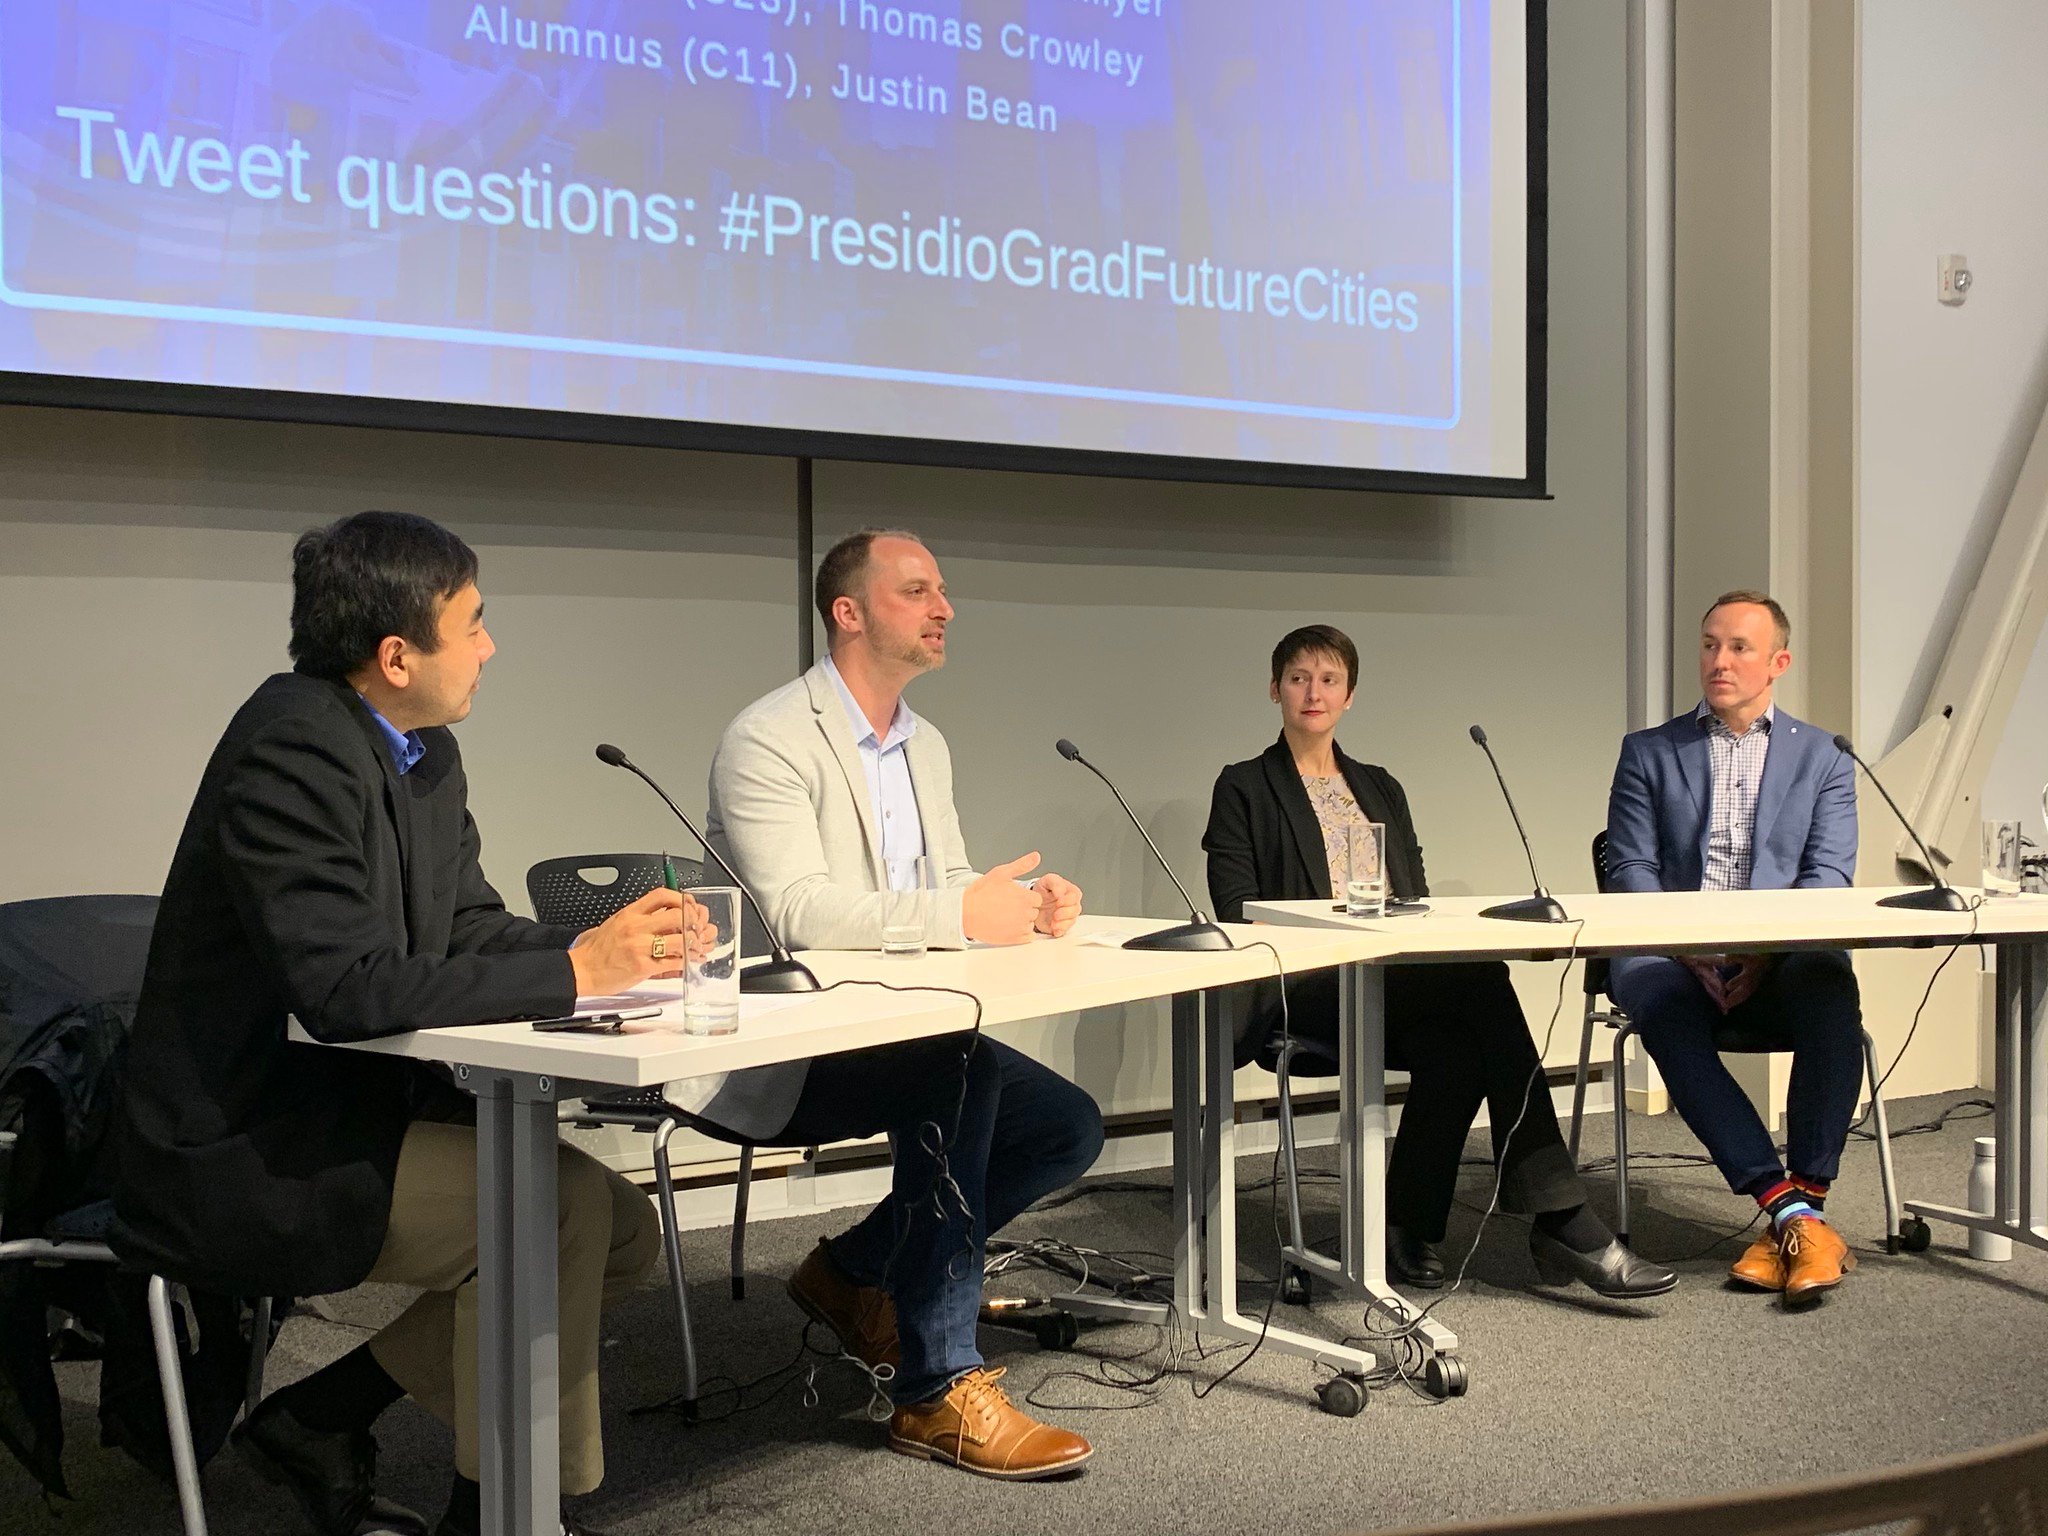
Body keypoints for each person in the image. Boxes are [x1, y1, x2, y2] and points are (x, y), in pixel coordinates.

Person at [109, 512, 695, 1536]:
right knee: (553, 1215)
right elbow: (346, 992)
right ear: (394, 657)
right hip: (236, 1141)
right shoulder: (290, 747)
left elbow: (461, 925)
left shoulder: (420, 753)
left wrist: (609, 951)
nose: (490, 646)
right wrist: (569, 974)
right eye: (472, 624)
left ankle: (320, 1414)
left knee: (622, 1234)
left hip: (339, 1110)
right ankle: (505, 1514)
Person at [703, 528, 1103, 1481]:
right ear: (850, 612)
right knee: (958, 1068)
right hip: (789, 1043)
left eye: (942, 591)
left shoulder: (925, 746)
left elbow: (951, 882)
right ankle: (936, 1388)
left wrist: (1022, 905)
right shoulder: (767, 737)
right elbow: (794, 909)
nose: (944, 609)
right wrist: (960, 911)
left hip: (906, 1027)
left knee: (1067, 1128)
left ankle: (850, 1272)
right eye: (919, 591)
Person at [1203, 624, 1675, 1299]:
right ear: (1274, 689)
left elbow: (1413, 899)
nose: (1314, 691)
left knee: (1461, 1043)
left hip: (1388, 976)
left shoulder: (1379, 786)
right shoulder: (1245, 787)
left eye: (1329, 679)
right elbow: (1235, 906)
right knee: (1482, 988)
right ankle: (1562, 1218)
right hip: (1304, 982)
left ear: (1350, 695)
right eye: (1300, 678)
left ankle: (1409, 1226)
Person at [1605, 589, 1863, 1305]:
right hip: (1672, 952)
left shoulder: (1825, 758)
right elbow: (1631, 868)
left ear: (1778, 662)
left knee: (1829, 984)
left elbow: (1827, 878)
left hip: (1779, 954)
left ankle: (1797, 1206)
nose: (1719, 660)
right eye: (1710, 644)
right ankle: (1791, 1211)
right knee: (1654, 997)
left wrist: (1766, 954)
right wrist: (1688, 945)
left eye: (1739, 647)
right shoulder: (1649, 752)